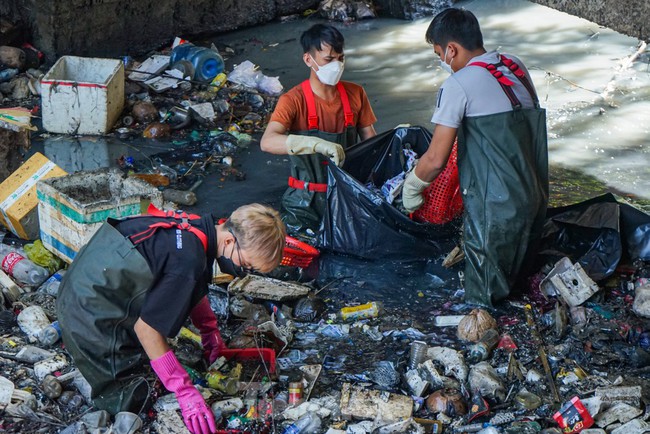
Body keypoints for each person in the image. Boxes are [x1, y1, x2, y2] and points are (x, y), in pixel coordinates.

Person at [57, 203, 286, 434]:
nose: (243, 271)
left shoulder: (197, 227)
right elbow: (147, 330)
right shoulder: (187, 259)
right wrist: (184, 390)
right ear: (229, 241)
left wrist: (209, 330)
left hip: (82, 286)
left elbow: (190, 284)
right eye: (245, 264)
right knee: (138, 398)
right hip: (86, 317)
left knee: (160, 354)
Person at [402, 8, 548, 306]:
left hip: (495, 209)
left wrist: (412, 187)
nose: (441, 60)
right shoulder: (514, 65)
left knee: (482, 301)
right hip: (535, 196)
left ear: (451, 49)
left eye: (438, 53)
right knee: (518, 284)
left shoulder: (458, 84)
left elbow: (435, 159)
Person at [261, 23, 377, 235]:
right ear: (308, 60)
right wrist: (314, 144)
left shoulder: (356, 94)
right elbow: (267, 142)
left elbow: (372, 145)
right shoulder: (292, 100)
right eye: (329, 59)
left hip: (346, 196)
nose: (337, 65)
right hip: (304, 201)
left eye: (340, 58)